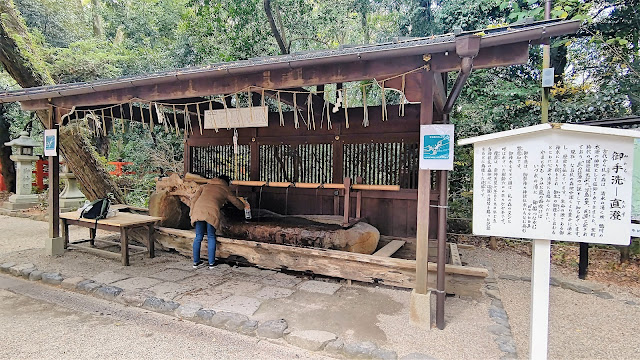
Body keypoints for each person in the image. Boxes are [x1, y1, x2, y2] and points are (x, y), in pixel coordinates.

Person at [189, 174, 246, 269]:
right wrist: (243, 206)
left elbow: (194, 199)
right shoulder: (224, 189)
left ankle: (196, 262)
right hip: (211, 212)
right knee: (211, 236)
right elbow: (235, 202)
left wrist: (191, 212)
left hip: (198, 211)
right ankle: (211, 263)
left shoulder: (205, 186)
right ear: (226, 182)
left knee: (198, 236)